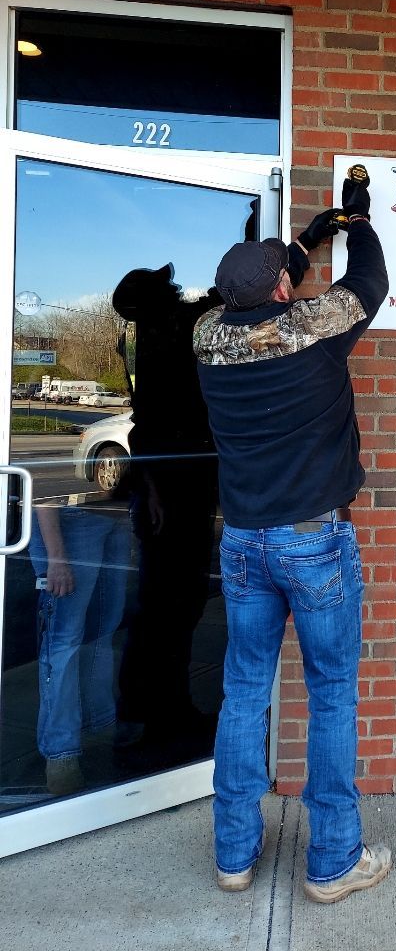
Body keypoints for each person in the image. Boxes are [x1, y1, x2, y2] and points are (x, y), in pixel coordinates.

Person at [193, 168, 390, 903]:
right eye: (289, 275)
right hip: (314, 543)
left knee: (245, 693)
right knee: (332, 693)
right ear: (283, 290)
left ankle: (234, 855)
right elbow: (370, 280)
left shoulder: (207, 337)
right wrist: (359, 223)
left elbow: (264, 289)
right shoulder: (314, 331)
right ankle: (334, 861)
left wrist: (307, 238)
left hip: (244, 543)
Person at [111, 264, 220, 753]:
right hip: (175, 493)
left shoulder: (152, 334)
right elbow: (146, 427)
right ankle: (161, 717)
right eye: (166, 286)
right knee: (171, 606)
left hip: (171, 489)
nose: (176, 289)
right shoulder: (164, 334)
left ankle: (150, 712)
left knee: (165, 605)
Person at [28, 499, 130, 794]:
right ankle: (62, 755)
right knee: (64, 639)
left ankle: (97, 732)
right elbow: (41, 472)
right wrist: (56, 557)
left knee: (103, 628)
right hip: (70, 520)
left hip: (115, 515)